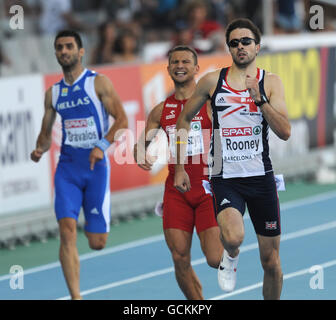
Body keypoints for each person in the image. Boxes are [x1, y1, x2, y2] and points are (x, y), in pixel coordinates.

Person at [174, 18, 291, 300]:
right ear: (229, 48)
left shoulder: (270, 82)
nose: (240, 47)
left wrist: (260, 100)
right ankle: (232, 253)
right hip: (225, 177)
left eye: (246, 41)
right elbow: (183, 120)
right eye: (234, 43)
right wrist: (179, 166)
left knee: (271, 262)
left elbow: (285, 131)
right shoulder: (213, 81)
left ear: (257, 46)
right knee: (234, 236)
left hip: (261, 177)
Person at [31, 30, 128, 300]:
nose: (64, 51)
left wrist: (101, 146)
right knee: (66, 229)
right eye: (59, 47)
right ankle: (76, 296)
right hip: (68, 169)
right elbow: (46, 133)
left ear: (80, 51)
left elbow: (122, 121)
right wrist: (39, 149)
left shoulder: (99, 83)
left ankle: (93, 221)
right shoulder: (53, 93)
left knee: (97, 243)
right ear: (56, 53)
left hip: (96, 169)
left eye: (69, 46)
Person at [133, 45, 223, 300]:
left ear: (196, 68)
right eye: (175, 62)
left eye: (185, 61)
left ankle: (233, 244)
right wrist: (139, 153)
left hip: (207, 188)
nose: (180, 65)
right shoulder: (162, 110)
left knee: (215, 259)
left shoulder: (209, 103)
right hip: (176, 190)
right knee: (179, 256)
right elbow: (141, 144)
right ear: (168, 68)